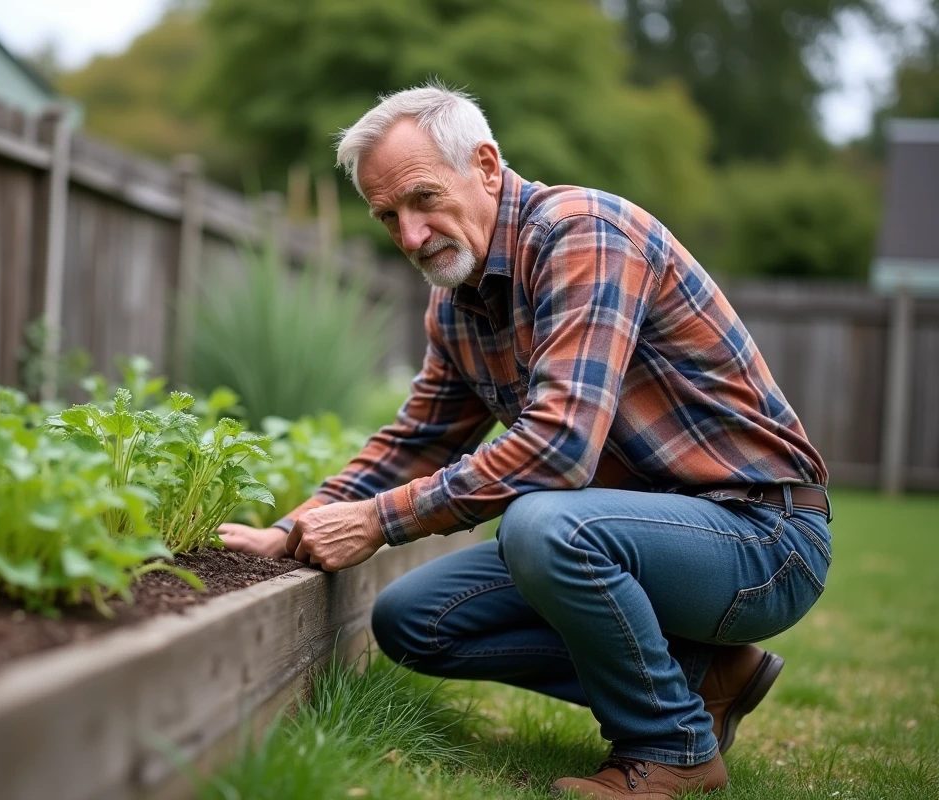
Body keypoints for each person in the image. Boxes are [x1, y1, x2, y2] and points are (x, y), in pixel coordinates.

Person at [219, 84, 832, 799]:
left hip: (761, 537)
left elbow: (559, 446)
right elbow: (416, 440)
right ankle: (706, 677)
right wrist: (294, 526)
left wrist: (380, 520)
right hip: (625, 535)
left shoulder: (584, 234)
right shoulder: (458, 305)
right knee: (411, 620)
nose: (410, 236)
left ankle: (672, 748)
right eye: (388, 215)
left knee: (541, 525)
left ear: (485, 166)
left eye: (423, 199)